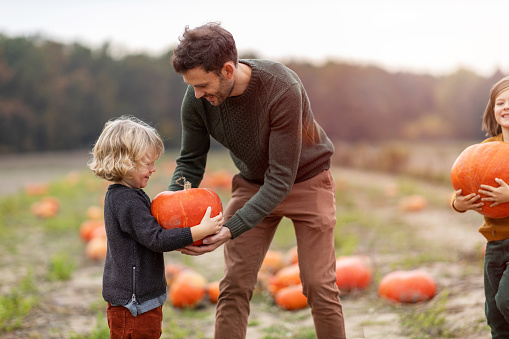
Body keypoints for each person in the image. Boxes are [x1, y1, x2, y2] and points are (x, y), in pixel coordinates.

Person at [168, 22, 346, 339]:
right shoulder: (196, 98)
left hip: (306, 181)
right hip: (251, 184)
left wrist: (229, 229)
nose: (196, 94)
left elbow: (280, 179)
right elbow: (190, 162)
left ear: (226, 69)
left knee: (319, 284)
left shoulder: (281, 88)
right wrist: (170, 209)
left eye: (203, 85)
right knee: (235, 283)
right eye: (191, 86)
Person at [87, 115, 224, 338]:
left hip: (140, 299)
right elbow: (156, 239)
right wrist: (199, 230)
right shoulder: (126, 201)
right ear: (126, 162)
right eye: (148, 163)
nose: (153, 169)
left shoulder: (130, 195)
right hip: (133, 305)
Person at [452, 76, 509, 338]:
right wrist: (459, 203)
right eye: (500, 102)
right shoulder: (483, 151)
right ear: (493, 110)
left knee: (507, 300)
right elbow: (462, 188)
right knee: (495, 315)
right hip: (496, 242)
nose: (506, 106)